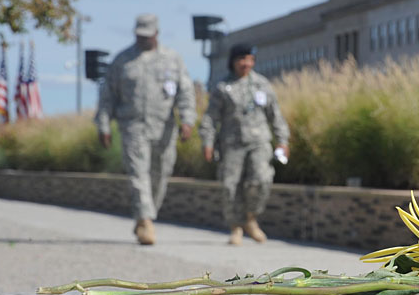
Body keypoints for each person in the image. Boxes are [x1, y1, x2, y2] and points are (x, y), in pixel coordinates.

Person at [95, 14, 196, 245]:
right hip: (133, 126)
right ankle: (146, 221)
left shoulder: (173, 59)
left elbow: (186, 92)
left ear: (156, 34)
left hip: (164, 127)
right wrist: (103, 125)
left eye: (147, 35)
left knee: (160, 174)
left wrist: (187, 120)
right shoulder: (122, 61)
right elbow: (107, 96)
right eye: (139, 35)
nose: (142, 39)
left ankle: (143, 218)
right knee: (138, 174)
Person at [199, 43, 289, 245]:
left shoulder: (262, 85)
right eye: (242, 59)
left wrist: (282, 141)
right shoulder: (223, 88)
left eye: (250, 59)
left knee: (261, 179)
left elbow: (276, 116)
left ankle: (251, 218)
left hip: (259, 142)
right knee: (230, 186)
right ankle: (236, 228)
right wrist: (207, 142)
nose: (246, 64)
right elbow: (210, 118)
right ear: (233, 61)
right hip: (232, 144)